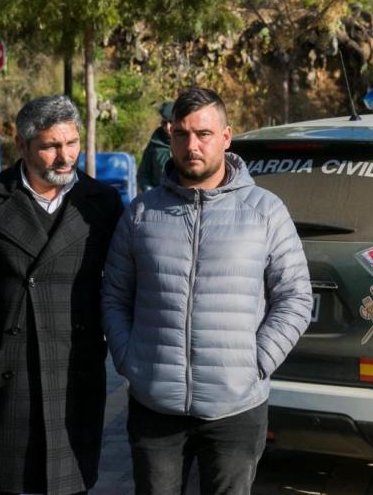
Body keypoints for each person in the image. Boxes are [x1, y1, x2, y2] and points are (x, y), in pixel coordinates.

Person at [102, 87, 313, 495]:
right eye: (181, 134)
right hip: (155, 406)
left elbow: (295, 297)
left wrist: (256, 362)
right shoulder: (142, 213)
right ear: (170, 137)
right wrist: (129, 359)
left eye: (203, 134)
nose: (192, 145)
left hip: (236, 408)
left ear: (226, 137)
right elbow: (114, 294)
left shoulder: (265, 211)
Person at [0, 95, 124, 495]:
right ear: (22, 145)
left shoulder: (101, 203)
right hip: (6, 374)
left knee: (66, 485)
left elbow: (123, 283)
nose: (64, 157)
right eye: (51, 146)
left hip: (74, 374)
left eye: (71, 143)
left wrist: (114, 342)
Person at [136, 101, 173, 192]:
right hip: (159, 196)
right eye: (164, 123)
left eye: (171, 122)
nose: (168, 127)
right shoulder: (154, 144)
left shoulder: (188, 143)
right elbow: (143, 174)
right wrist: (150, 192)